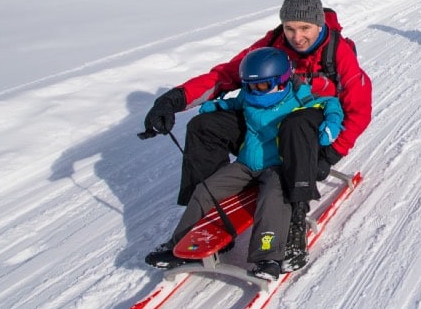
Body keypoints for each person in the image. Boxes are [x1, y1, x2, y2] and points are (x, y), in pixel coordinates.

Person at [142, 0, 372, 271]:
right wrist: (175, 99)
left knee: (295, 124)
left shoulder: (338, 53)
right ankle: (205, 224)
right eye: (290, 28)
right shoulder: (274, 44)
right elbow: (226, 76)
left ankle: (294, 223)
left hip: (309, 136)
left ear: (319, 24)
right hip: (264, 128)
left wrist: (330, 155)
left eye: (305, 28)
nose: (297, 37)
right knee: (204, 126)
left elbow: (358, 111)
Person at [144, 48, 343, 280]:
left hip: (277, 167)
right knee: (205, 190)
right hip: (247, 164)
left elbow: (330, 104)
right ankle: (182, 245)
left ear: (281, 81)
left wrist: (333, 123)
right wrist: (216, 106)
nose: (254, 91)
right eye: (249, 85)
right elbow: (235, 103)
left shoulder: (299, 98)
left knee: (272, 198)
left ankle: (268, 256)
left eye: (261, 86)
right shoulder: (248, 96)